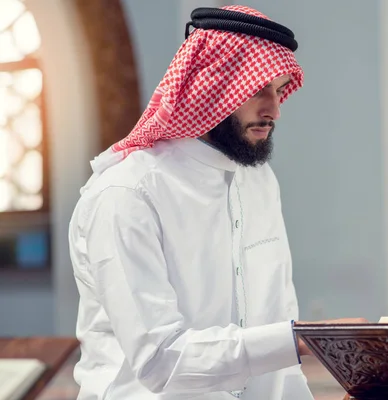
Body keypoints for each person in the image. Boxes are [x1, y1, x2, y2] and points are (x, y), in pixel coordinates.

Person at [68, 5, 366, 400]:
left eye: (279, 91)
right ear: (212, 85)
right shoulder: (127, 194)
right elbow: (161, 360)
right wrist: (303, 339)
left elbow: (278, 334)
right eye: (258, 90)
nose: (274, 110)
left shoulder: (258, 180)